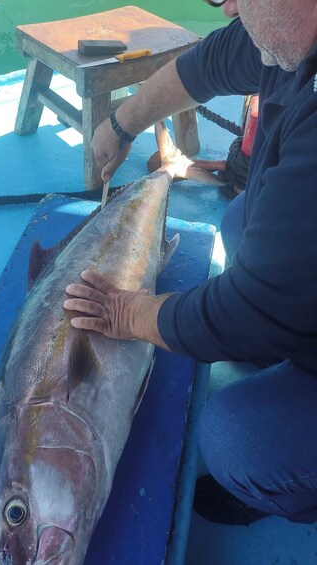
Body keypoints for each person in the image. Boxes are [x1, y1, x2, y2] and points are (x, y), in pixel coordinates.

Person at [63, 0, 317, 525]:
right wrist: (120, 124)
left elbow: (241, 318)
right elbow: (205, 65)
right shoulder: (289, 32)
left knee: (237, 442)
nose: (225, 7)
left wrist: (125, 313)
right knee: (242, 218)